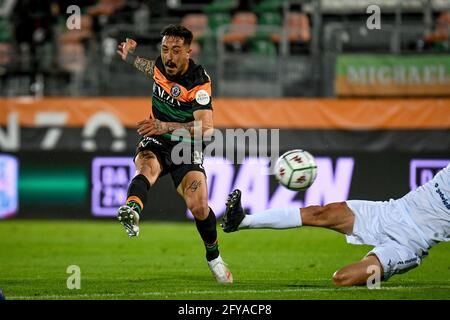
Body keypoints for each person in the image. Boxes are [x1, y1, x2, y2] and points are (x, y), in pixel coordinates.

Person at [116, 24, 232, 284]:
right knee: (145, 166)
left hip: (184, 146)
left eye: (176, 50)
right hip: (155, 141)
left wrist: (164, 126)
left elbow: (206, 127)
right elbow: (150, 68)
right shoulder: (160, 65)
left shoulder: (199, 83)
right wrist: (130, 56)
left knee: (199, 206)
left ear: (188, 52)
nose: (169, 56)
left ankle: (214, 257)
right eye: (165, 49)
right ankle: (132, 210)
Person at [222, 164, 450, 286]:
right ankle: (243, 221)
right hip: (390, 212)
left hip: (408, 245)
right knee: (322, 212)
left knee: (342, 278)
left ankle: (380, 273)